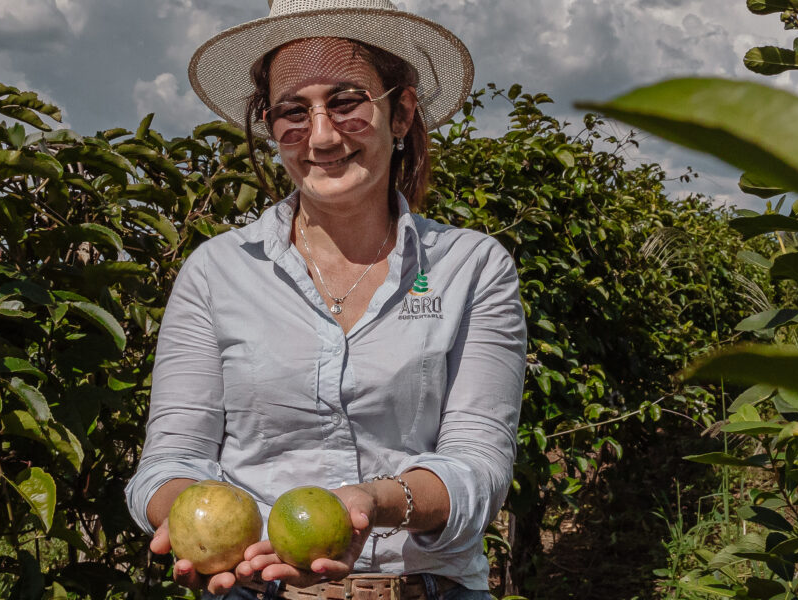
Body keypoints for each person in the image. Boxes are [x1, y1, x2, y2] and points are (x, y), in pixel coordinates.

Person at [124, 1, 525, 598]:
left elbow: (478, 466)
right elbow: (170, 457)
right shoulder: (216, 272)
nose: (320, 135)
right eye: (293, 111)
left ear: (401, 112)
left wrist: (373, 503)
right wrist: (191, 517)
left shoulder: (470, 267)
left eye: (346, 103)